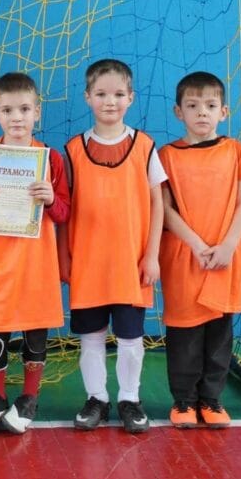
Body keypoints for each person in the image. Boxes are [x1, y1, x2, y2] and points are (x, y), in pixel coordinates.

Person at [59, 59, 166, 434]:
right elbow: (62, 210)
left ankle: (130, 399)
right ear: (87, 97)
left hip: (130, 263)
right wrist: (64, 256)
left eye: (119, 94)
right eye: (101, 94)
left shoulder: (145, 146)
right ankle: (97, 399)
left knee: (131, 338)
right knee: (90, 338)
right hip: (88, 262)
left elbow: (158, 204)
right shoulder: (73, 149)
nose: (110, 101)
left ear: (131, 98)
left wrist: (152, 255)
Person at [0, 73, 70, 435]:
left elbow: (64, 212)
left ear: (37, 112)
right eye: (8, 110)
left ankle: (28, 398)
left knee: (35, 325)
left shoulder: (50, 159)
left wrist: (51, 199)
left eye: (24, 109)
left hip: (35, 259)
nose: (17, 117)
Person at [159, 72, 241, 428]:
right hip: (185, 254)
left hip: (225, 255)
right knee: (184, 331)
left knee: (219, 330)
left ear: (224, 111)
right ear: (178, 112)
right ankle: (184, 401)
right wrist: (197, 244)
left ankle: (212, 401)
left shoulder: (235, 151)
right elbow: (164, 209)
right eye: (192, 105)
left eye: (211, 105)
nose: (202, 112)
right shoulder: (166, 155)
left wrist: (227, 245)